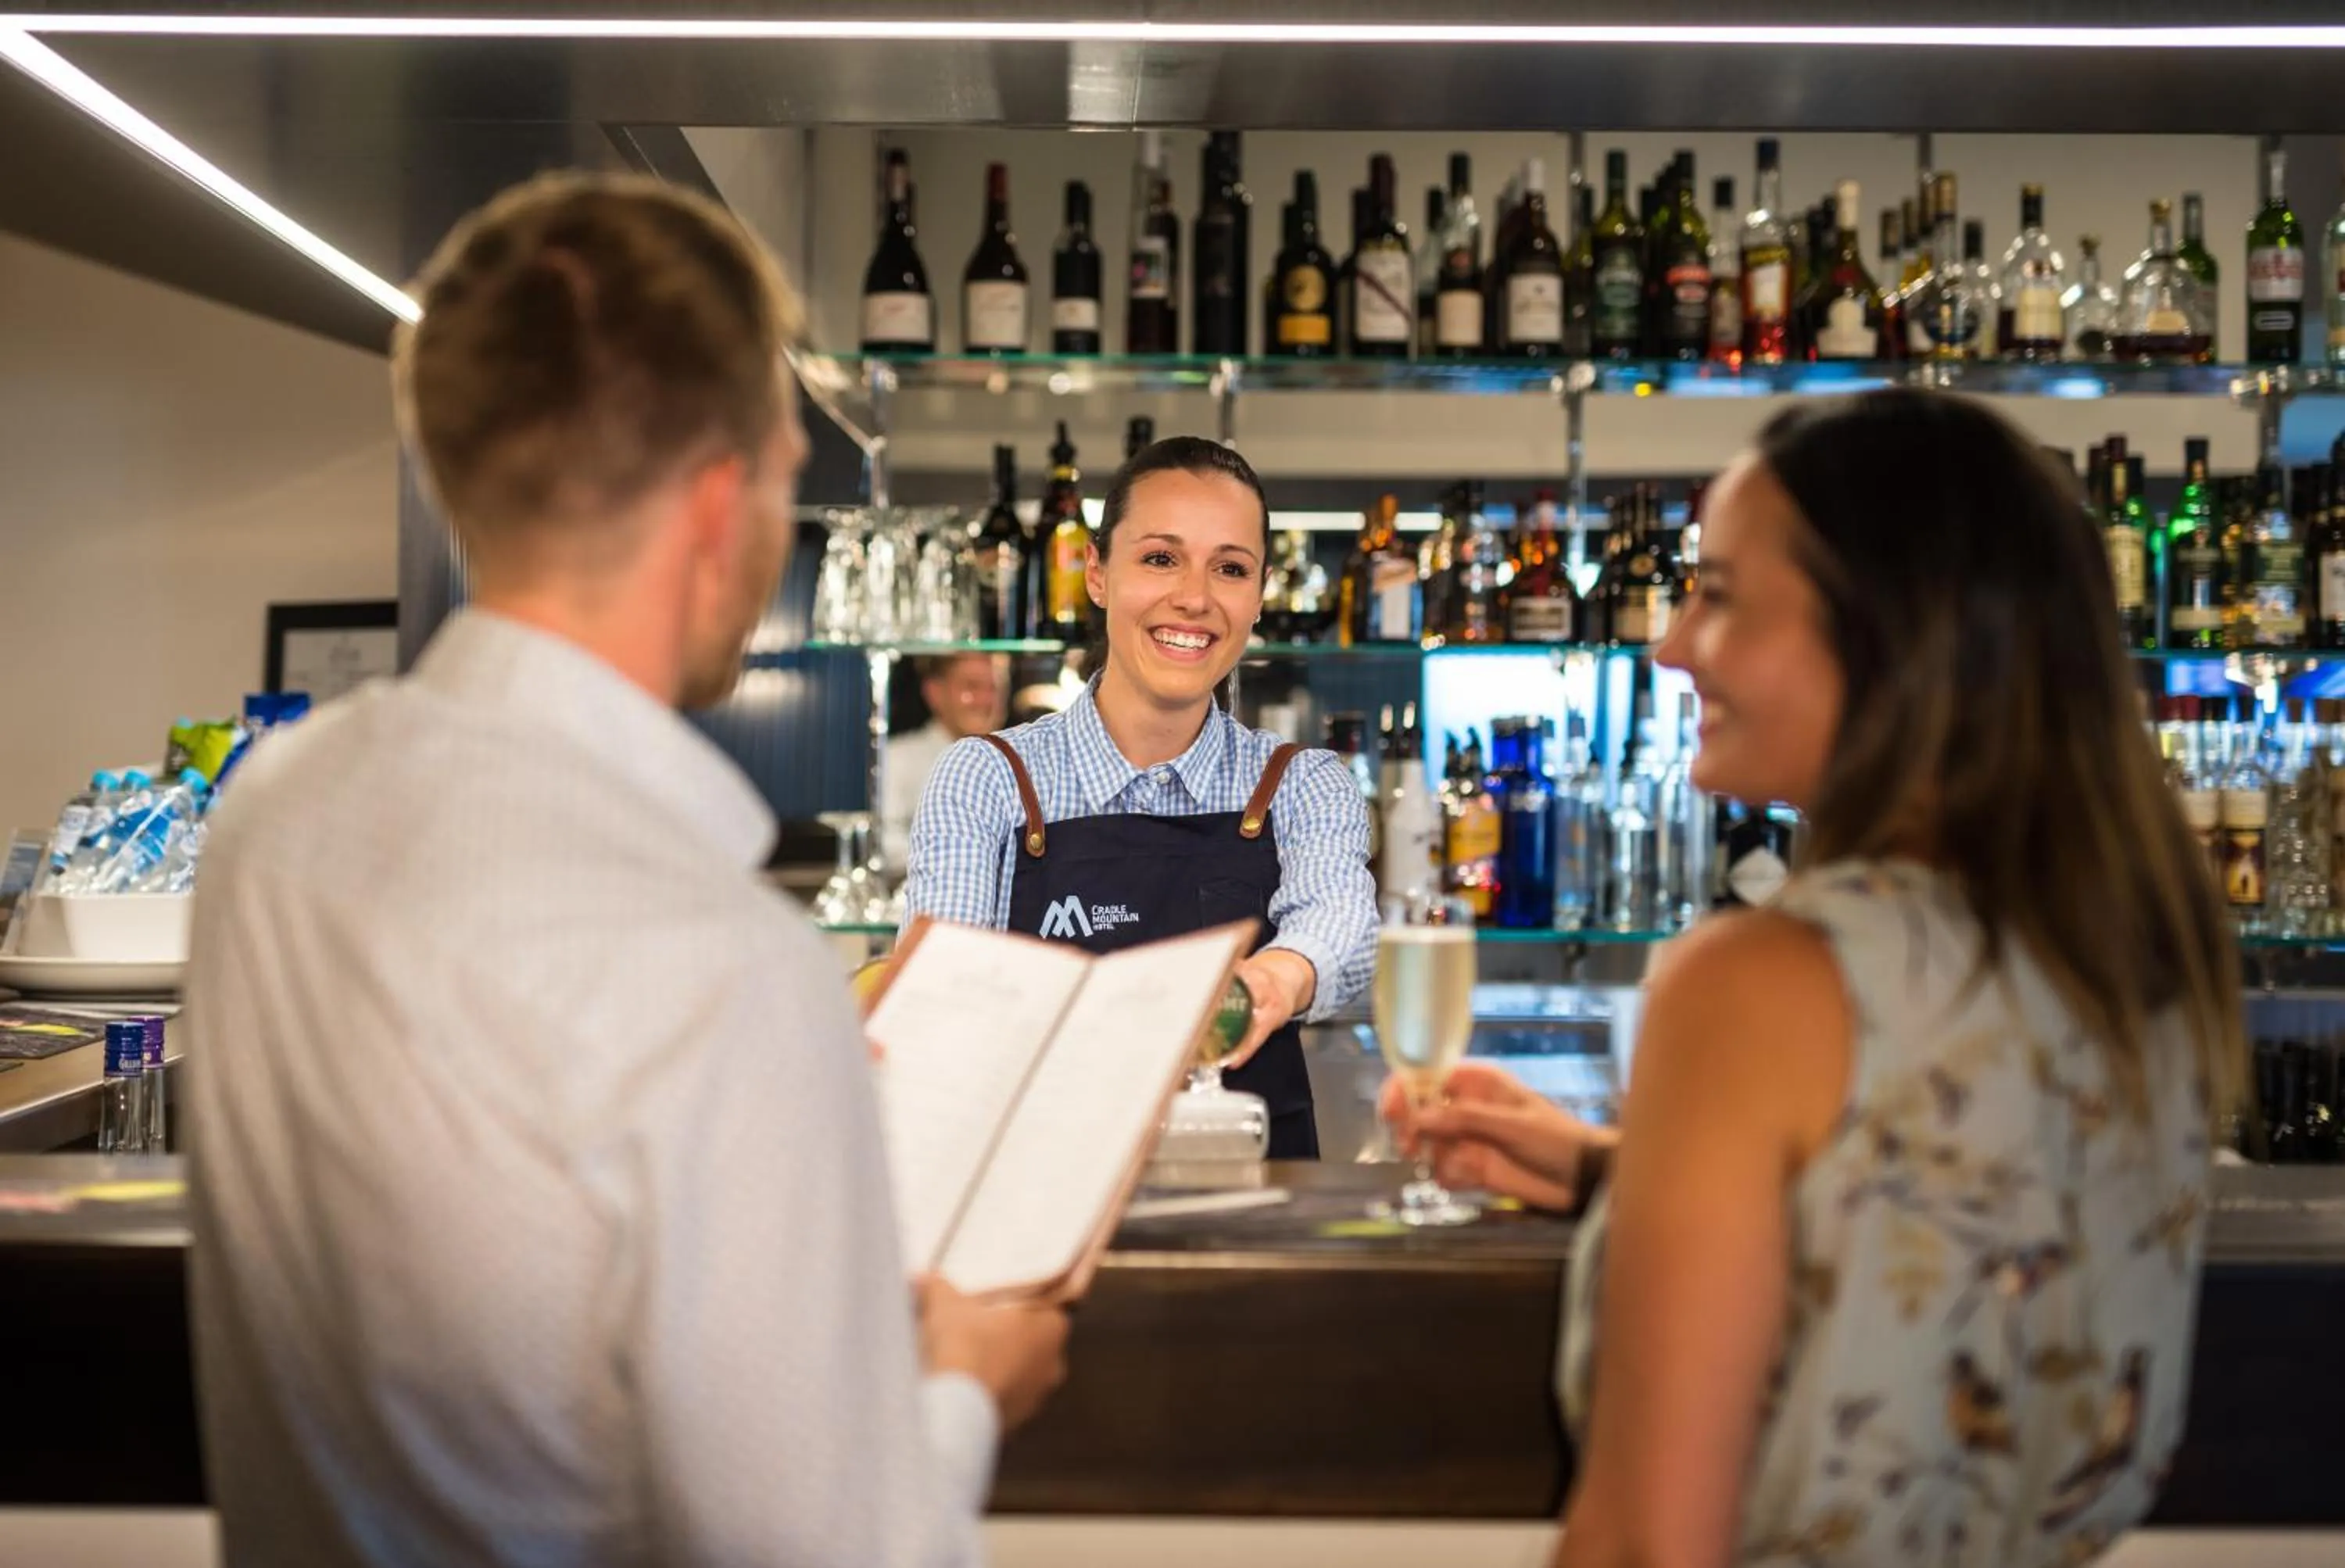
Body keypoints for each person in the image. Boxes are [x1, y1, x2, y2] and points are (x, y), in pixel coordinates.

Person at [183, 171, 1065, 1568]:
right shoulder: (718, 961)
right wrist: (968, 1384)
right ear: (721, 504)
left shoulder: (272, 816)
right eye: (787, 475)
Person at [1387, 389, 2243, 1568]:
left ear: (1887, 629)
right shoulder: (2142, 965)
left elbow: (1646, 1545)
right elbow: (1942, 1240)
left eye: (1720, 594)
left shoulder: (1758, 983)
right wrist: (1615, 1177)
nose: (1669, 642)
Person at [904, 436, 1377, 1159]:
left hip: (1252, 1221)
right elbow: (946, 997)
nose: (1194, 597)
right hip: (1041, 1217)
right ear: (1097, 573)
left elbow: (1339, 922)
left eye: (1230, 568)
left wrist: (1267, 984)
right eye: (1160, 558)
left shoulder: (1302, 783)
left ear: (1257, 596)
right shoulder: (989, 778)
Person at [880, 653, 1008, 874]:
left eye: (994, 689)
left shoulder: (1019, 762)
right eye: (972, 687)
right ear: (934, 693)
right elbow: (887, 847)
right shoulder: (897, 758)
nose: (986, 700)